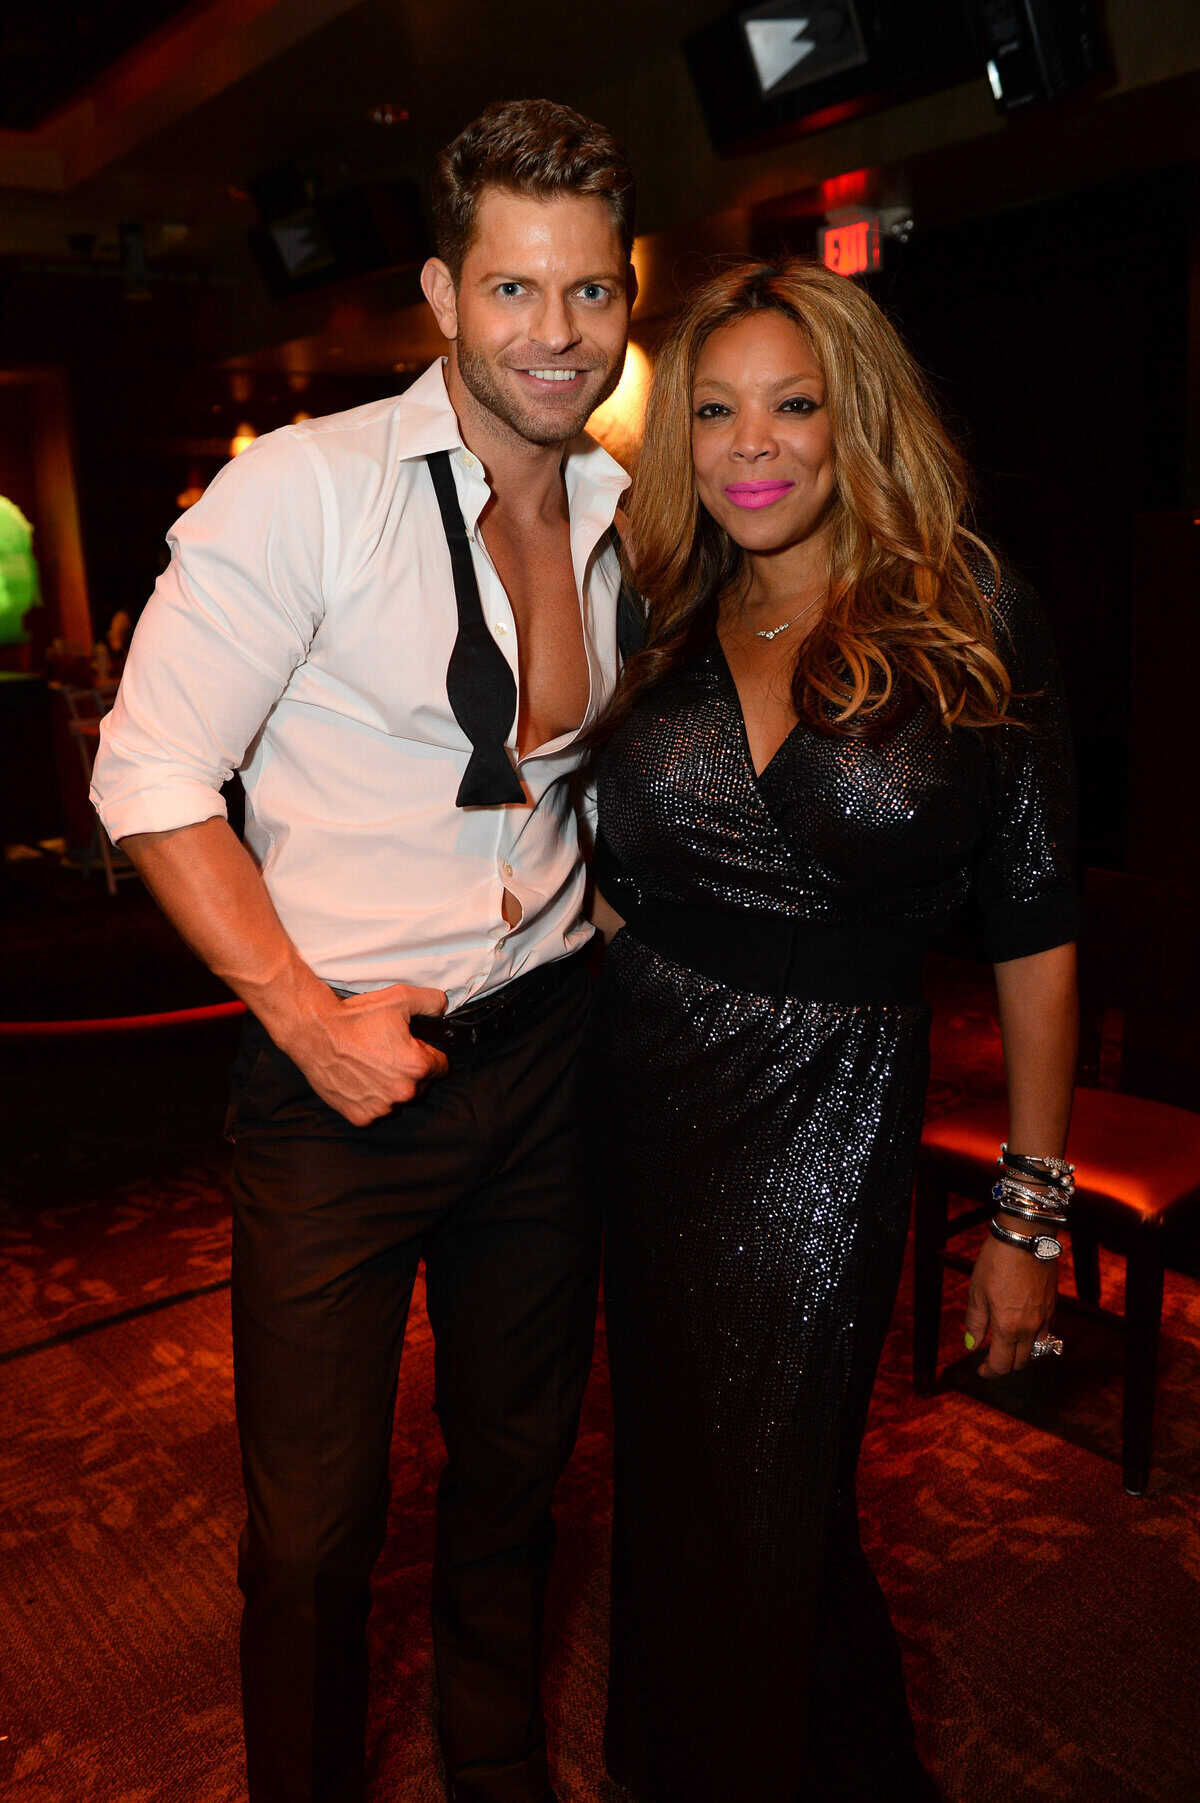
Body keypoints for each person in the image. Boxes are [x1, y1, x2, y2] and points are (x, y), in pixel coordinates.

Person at [90, 98, 636, 1803]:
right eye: (514, 289)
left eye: (591, 290)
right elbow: (148, 775)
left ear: (627, 296)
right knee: (315, 1533)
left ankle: (497, 1765)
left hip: (548, 1058)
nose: (555, 334)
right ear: (443, 294)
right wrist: (305, 1020)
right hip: (335, 1069)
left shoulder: (628, 506)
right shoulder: (304, 491)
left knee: (518, 1475)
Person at [588, 261, 1078, 1803]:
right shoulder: (663, 608)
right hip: (644, 1108)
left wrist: (1028, 1216)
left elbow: (1036, 929)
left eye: (792, 405)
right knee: (679, 1495)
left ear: (854, 416)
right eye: (714, 410)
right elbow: (596, 865)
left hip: (834, 1113)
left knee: (775, 1505)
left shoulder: (968, 607)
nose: (752, 445)